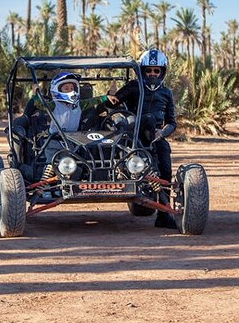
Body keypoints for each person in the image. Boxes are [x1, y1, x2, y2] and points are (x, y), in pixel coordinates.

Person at [107, 49, 177, 229]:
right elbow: (112, 103)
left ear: (162, 72)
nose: (152, 74)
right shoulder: (133, 86)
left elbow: (172, 122)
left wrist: (162, 133)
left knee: (165, 169)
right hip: (132, 134)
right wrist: (111, 97)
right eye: (148, 71)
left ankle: (163, 213)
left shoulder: (166, 93)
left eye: (156, 71)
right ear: (142, 70)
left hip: (155, 137)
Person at [28, 72, 111, 182]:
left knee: (71, 166)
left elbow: (93, 101)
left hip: (72, 140)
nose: (70, 90)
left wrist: (106, 97)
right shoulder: (53, 105)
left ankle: (68, 185)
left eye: (72, 88)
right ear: (58, 90)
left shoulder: (79, 105)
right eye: (66, 88)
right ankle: (46, 188)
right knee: (52, 165)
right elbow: (39, 104)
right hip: (54, 141)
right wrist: (36, 93)